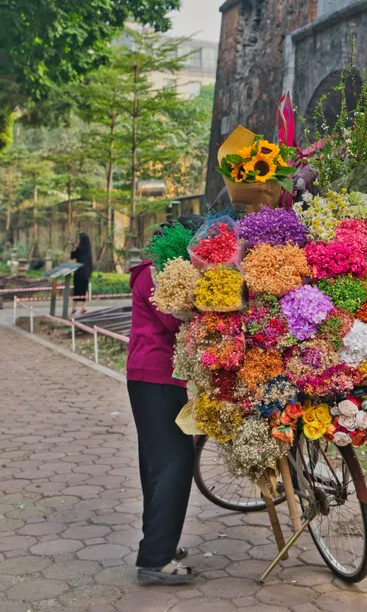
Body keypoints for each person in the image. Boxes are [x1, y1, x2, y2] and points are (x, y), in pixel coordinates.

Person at [127, 214, 202, 586]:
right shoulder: (156, 275)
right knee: (175, 463)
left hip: (154, 378)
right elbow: (174, 321)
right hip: (153, 376)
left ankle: (160, 546)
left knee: (157, 466)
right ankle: (155, 561)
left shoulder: (151, 271)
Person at [70, 231, 93, 315]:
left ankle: (74, 307)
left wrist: (74, 248)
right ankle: (84, 306)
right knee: (84, 289)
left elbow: (72, 257)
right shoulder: (88, 250)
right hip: (86, 272)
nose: (78, 240)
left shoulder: (79, 249)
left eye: (79, 239)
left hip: (79, 271)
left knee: (76, 289)